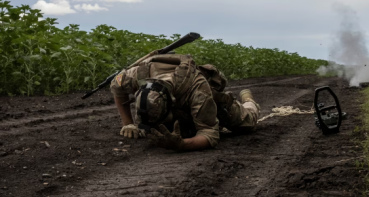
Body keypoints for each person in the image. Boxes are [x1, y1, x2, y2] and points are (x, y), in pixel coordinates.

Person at [109, 53, 260, 151]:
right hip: (179, 103)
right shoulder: (135, 75)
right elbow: (116, 88)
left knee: (247, 124)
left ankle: (248, 101)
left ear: (171, 102)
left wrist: (182, 145)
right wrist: (128, 123)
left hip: (210, 102)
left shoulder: (198, 91)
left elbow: (209, 134)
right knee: (181, 130)